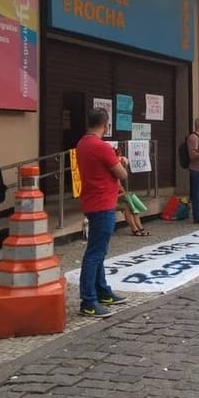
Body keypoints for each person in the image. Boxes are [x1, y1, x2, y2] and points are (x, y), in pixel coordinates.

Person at [76, 108, 129, 318]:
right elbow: (121, 174)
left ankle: (102, 291)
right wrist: (123, 162)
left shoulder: (82, 143)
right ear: (106, 124)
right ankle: (88, 301)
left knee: (98, 250)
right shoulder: (102, 147)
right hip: (103, 203)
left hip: (91, 201)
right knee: (95, 253)